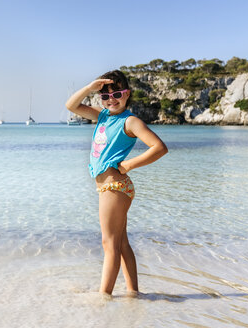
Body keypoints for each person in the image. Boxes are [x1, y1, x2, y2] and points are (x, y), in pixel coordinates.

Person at [65, 70, 168, 296]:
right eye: (105, 96)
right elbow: (71, 106)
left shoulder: (130, 121)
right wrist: (89, 88)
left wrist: (129, 165)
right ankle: (133, 293)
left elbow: (159, 148)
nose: (111, 100)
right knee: (120, 244)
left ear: (127, 94)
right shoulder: (103, 116)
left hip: (115, 186)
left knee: (108, 244)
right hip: (110, 187)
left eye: (117, 94)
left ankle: (104, 297)